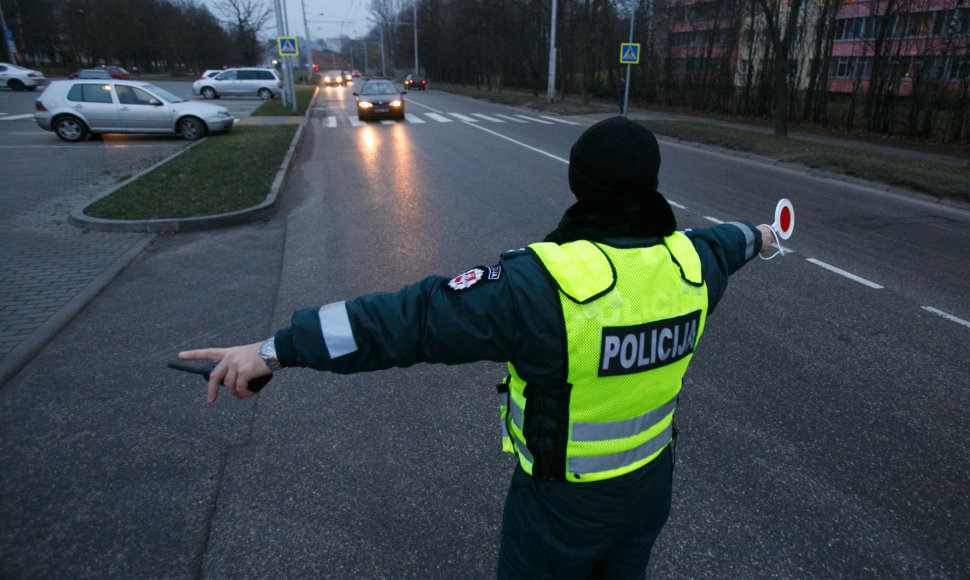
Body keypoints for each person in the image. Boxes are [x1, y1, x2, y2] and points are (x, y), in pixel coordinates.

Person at [179, 116, 778, 579]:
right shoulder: (694, 261)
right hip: (649, 492)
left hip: (559, 510)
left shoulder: (542, 285)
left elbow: (401, 321)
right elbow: (737, 239)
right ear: (650, 185)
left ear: (577, 188)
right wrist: (769, 234)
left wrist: (278, 348)